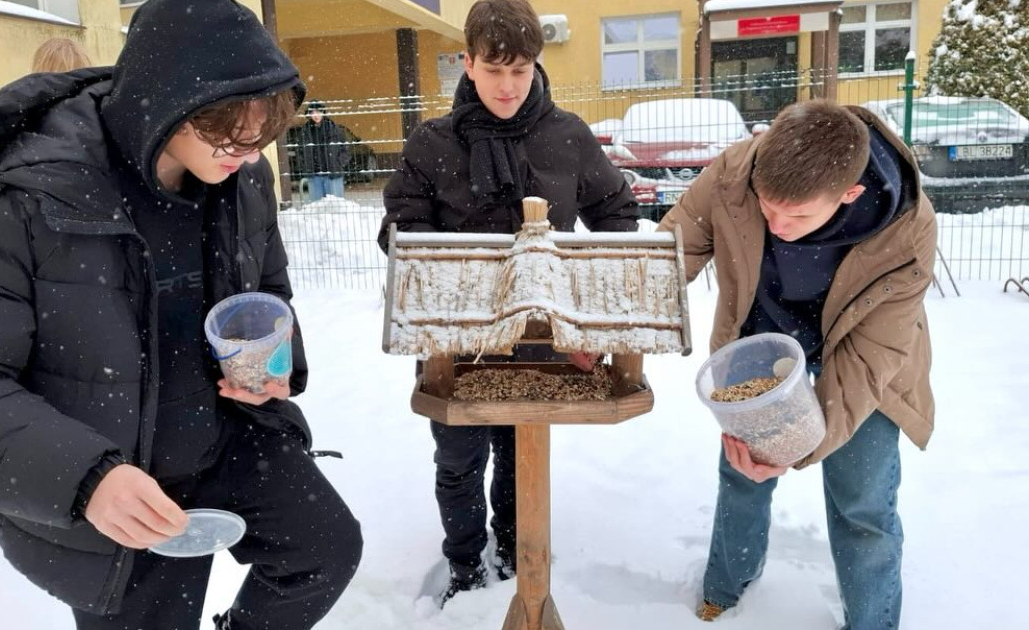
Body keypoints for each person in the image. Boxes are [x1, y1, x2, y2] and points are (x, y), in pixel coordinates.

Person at [0, 1, 362, 629]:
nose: (252, 156)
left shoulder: (240, 180)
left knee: (324, 551)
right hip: (112, 475)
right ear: (170, 106)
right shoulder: (26, 199)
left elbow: (267, 291)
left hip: (226, 438)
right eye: (232, 135)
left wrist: (276, 362)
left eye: (262, 137)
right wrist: (86, 479)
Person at [378, 0, 640, 606]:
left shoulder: (567, 136)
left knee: (523, 452)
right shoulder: (432, 142)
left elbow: (617, 215)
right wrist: (446, 263)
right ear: (467, 63)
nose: (507, 86)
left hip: (542, 335)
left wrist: (591, 312)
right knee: (459, 459)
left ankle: (517, 550)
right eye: (493, 70)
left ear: (536, 66)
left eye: (519, 71)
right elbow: (399, 229)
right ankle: (466, 566)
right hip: (456, 339)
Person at [658, 99, 937, 629]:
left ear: (850, 194)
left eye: (799, 214)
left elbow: (869, 360)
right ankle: (724, 589)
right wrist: (613, 327)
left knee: (862, 498)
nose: (779, 225)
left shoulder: (907, 228)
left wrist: (797, 448)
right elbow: (669, 256)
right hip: (762, 337)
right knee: (743, 472)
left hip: (858, 350)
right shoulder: (735, 174)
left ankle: (871, 621)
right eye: (768, 208)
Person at [290, 101, 352, 200]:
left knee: (336, 204)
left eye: (318, 112)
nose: (316, 115)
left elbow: (346, 149)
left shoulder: (335, 130)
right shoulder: (304, 132)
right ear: (309, 115)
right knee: (317, 205)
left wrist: (338, 162)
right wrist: (304, 165)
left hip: (333, 174)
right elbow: (299, 151)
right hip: (314, 175)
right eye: (312, 112)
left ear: (323, 112)